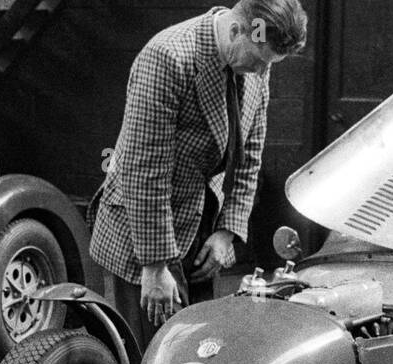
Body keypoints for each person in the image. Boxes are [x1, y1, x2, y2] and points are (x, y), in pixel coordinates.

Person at [89, 1, 307, 335]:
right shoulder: (167, 57)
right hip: (145, 232)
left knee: (196, 352)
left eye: (269, 65)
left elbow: (250, 157)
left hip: (202, 232)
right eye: (259, 63)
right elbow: (142, 169)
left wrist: (227, 231)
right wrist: (155, 265)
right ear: (236, 30)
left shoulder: (256, 54)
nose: (263, 73)